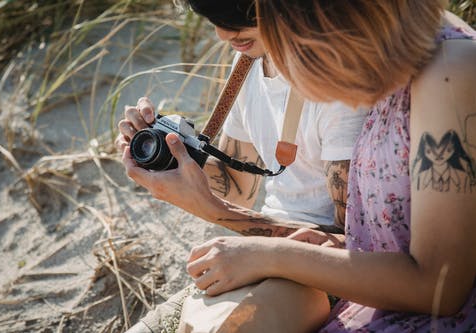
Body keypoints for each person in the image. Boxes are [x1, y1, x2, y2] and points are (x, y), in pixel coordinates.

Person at [181, 1, 476, 332]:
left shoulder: (452, 71)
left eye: (297, 50)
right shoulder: (404, 55)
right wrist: (325, 246)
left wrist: (272, 255)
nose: (304, 85)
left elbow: (440, 289)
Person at [116, 0, 366, 331]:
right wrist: (168, 160)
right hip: (254, 259)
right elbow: (237, 187)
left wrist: (210, 210)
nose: (222, 33)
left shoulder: (339, 82)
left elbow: (354, 244)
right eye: (214, 18)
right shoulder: (248, 63)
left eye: (238, 18)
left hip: (322, 277)